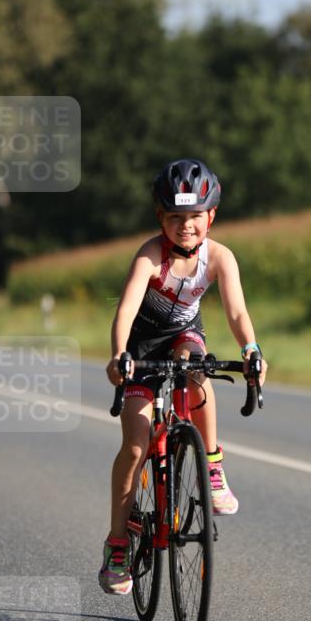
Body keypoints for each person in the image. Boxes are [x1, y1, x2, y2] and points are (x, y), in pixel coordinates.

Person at [99, 158, 268, 594]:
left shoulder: (220, 258)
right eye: (175, 217)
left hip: (183, 336)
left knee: (198, 367)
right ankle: (118, 543)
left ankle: (210, 463)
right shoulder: (150, 255)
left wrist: (250, 350)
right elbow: (126, 309)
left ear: (210, 216)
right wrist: (120, 355)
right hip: (142, 346)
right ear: (161, 218)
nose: (185, 226)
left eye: (194, 217)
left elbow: (236, 312)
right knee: (136, 443)